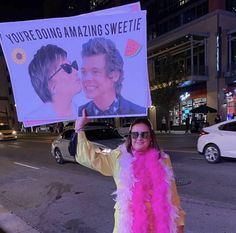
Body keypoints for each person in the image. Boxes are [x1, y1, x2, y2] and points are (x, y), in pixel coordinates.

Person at [72, 109, 185, 233]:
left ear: (151, 137)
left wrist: (179, 225)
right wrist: (79, 129)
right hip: (128, 227)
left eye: (144, 134)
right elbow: (90, 158)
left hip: (156, 226)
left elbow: (173, 196)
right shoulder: (118, 157)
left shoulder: (163, 160)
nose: (139, 138)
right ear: (130, 137)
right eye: (135, 134)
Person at [78, 37, 146, 116]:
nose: (87, 78)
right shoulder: (78, 113)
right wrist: (79, 128)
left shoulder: (137, 112)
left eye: (95, 72)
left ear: (115, 75)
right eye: (83, 72)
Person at [28, 44, 82, 118]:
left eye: (73, 65)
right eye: (66, 68)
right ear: (51, 86)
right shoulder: (35, 118)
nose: (75, 71)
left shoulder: (84, 112)